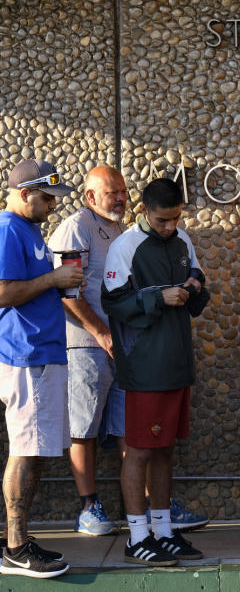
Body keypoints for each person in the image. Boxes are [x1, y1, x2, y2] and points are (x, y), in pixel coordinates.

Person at [103, 178, 211, 566]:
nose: (171, 226)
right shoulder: (125, 246)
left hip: (177, 361)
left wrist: (195, 286)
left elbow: (199, 278)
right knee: (139, 451)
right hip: (144, 364)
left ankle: (164, 532)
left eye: (176, 218)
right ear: (144, 211)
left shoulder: (183, 239)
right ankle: (136, 537)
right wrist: (158, 296)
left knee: (165, 450)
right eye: (163, 219)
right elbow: (113, 302)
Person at [0, 159, 82, 578]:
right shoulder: (8, 229)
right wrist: (53, 281)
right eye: (48, 197)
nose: (54, 205)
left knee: (33, 451)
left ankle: (18, 540)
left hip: (42, 353)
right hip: (25, 355)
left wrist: (59, 279)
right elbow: (2, 292)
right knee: (25, 451)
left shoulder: (29, 229)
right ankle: (14, 548)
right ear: (25, 193)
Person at [48, 166, 128, 536]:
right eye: (112, 192)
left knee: (126, 427)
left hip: (119, 344)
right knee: (84, 429)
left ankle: (145, 505)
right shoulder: (76, 227)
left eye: (123, 191)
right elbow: (67, 292)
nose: (121, 197)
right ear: (90, 196)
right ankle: (88, 508)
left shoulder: (117, 230)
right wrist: (100, 333)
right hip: (85, 344)